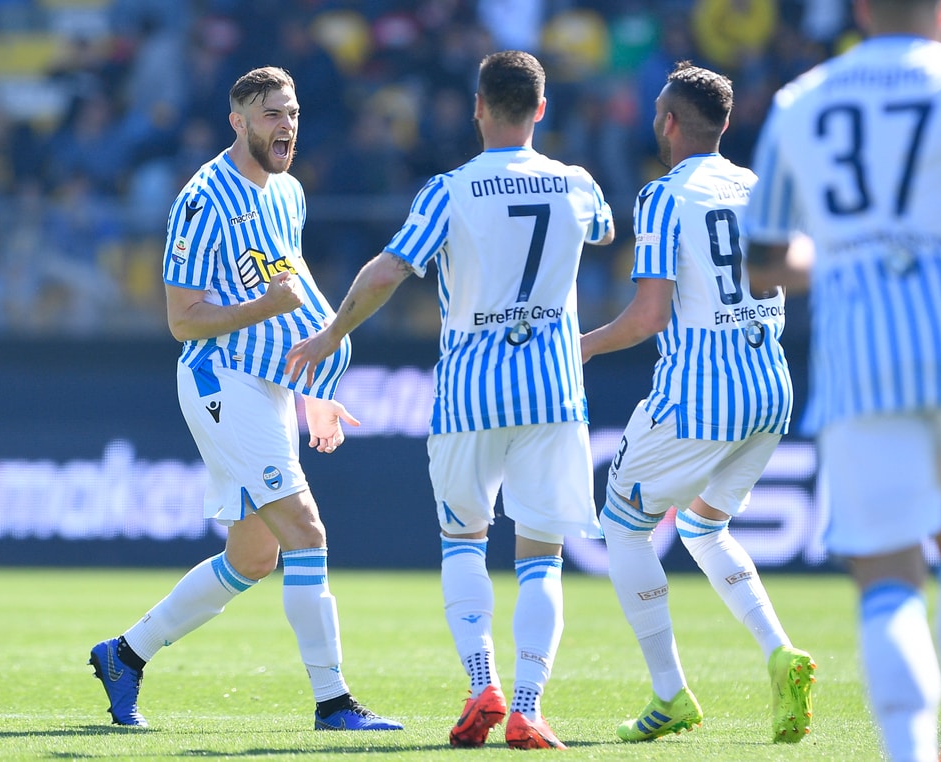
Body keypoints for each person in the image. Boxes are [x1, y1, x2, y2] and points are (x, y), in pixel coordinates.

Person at [743, 2, 941, 760]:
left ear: (860, 9)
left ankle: (909, 749)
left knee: (887, 571)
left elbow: (763, 261)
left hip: (864, 349)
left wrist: (844, 253)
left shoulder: (803, 99)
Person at [284, 50, 615, 750]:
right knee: (541, 557)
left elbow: (388, 271)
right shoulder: (577, 183)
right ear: (541, 108)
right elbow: (606, 231)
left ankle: (482, 684)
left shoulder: (449, 190)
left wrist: (332, 332)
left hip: (470, 393)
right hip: (554, 390)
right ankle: (527, 706)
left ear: (478, 108)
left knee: (463, 541)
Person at [88, 66, 402, 733]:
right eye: (271, 115)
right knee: (306, 532)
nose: (286, 126)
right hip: (220, 381)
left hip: (269, 383)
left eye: (292, 113)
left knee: (253, 558)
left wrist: (315, 389)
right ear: (238, 121)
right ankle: (334, 703)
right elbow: (182, 321)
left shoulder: (288, 191)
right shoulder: (203, 199)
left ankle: (124, 655)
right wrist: (263, 308)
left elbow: (296, 292)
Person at [580, 60, 816, 745]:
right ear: (727, 123)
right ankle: (780, 652)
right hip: (770, 390)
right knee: (704, 527)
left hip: (700, 395)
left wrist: (583, 346)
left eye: (659, 113)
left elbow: (649, 317)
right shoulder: (759, 188)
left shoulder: (662, 196)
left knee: (623, 524)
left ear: (669, 122)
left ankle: (670, 694)